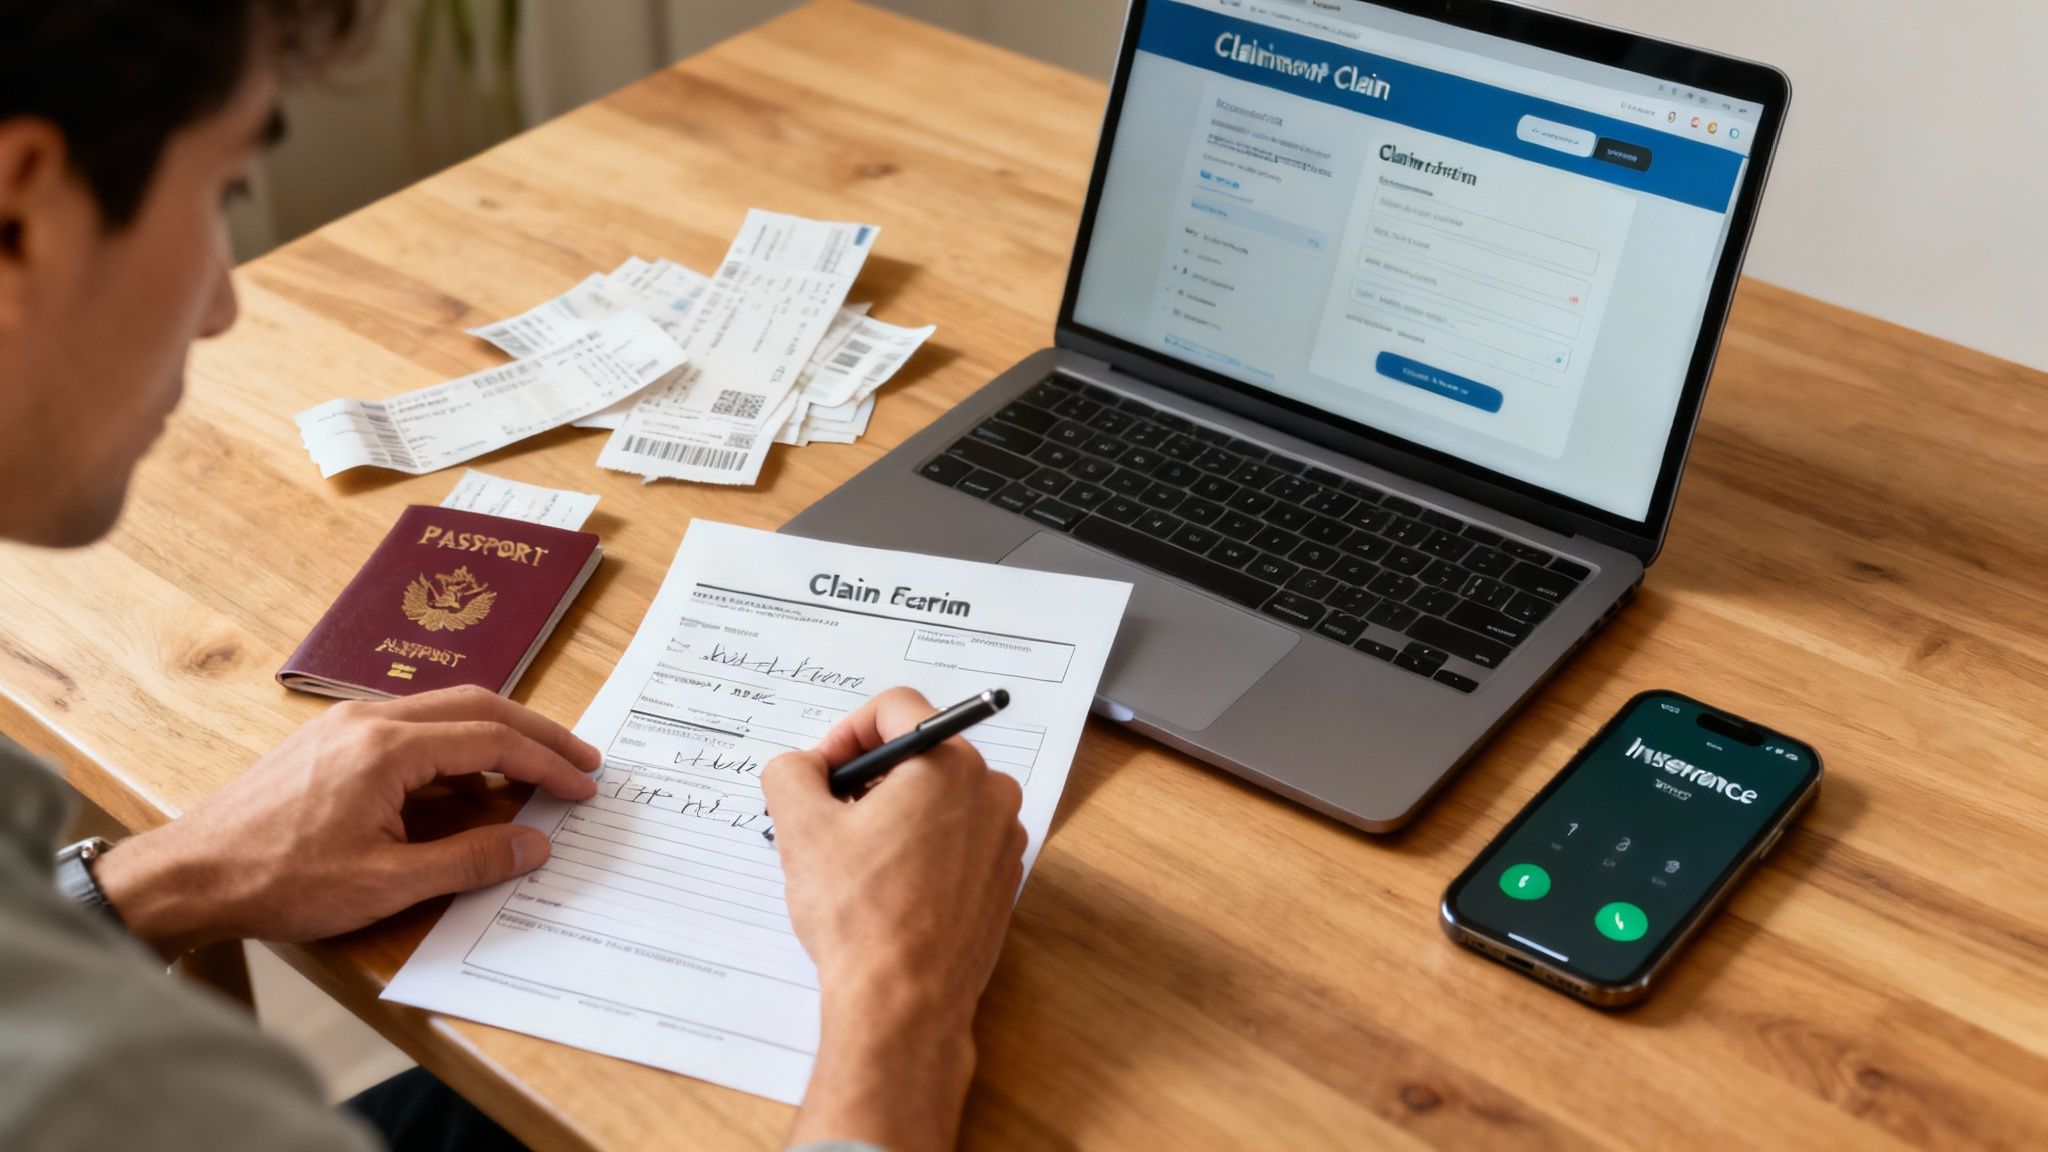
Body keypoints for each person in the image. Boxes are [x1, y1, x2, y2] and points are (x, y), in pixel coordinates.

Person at [0, 3, 1027, 1151]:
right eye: (223, 190)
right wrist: (904, 994)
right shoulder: (89, 1089)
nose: (225, 300)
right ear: (19, 212)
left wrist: (162, 880)